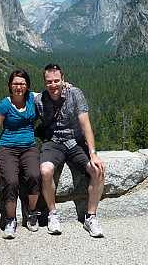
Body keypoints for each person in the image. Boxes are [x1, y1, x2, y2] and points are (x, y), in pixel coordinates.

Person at [34, 63, 106, 238]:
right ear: (44, 83)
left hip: (75, 142)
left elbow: (85, 124)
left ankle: (91, 217)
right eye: (49, 82)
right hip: (53, 142)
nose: (53, 85)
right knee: (45, 170)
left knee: (97, 170)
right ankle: (52, 214)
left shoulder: (75, 94)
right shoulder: (39, 100)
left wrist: (93, 153)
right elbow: (23, 101)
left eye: (56, 81)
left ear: (63, 80)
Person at [0, 70, 41, 239]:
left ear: (27, 86)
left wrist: (66, 85)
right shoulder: (4, 105)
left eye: (22, 84)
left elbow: (50, 91)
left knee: (34, 175)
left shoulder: (32, 98)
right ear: (10, 86)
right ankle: (11, 219)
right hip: (7, 147)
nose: (19, 87)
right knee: (11, 181)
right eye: (15, 84)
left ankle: (32, 212)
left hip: (29, 147)